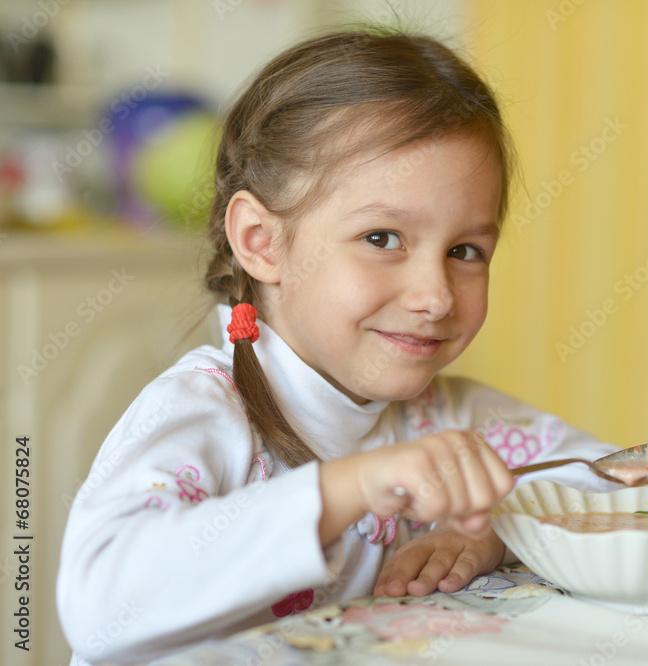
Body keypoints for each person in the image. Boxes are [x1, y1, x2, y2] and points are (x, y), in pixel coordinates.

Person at [56, 28, 617, 664]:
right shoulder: (204, 412)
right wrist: (345, 488)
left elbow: (616, 481)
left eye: (465, 252)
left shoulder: (448, 418)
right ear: (262, 242)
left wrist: (490, 535)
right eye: (383, 238)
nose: (435, 296)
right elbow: (97, 602)